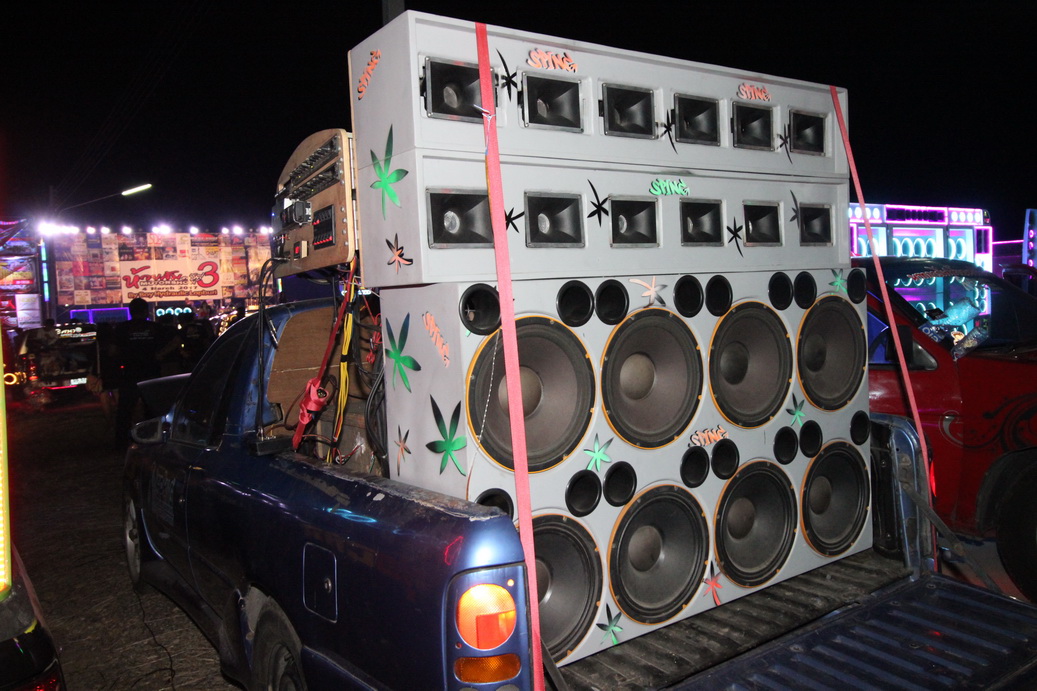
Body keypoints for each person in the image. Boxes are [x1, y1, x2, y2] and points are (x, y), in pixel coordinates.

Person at [112, 298, 164, 446]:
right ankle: (153, 438)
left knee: (125, 410)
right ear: (146, 311)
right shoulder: (155, 327)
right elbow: (174, 341)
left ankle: (122, 441)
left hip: (130, 372)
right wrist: (159, 355)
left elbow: (113, 350)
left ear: (130, 311)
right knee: (152, 409)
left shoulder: (122, 328)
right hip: (151, 372)